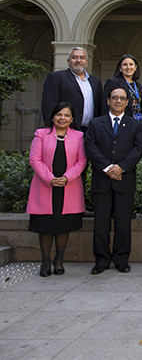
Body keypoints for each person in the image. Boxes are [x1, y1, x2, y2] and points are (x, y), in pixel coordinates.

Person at [84, 88, 142, 274]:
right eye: (115, 98)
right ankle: (101, 260)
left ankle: (121, 259)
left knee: (123, 223)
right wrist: (108, 168)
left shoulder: (135, 125)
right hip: (102, 180)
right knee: (101, 224)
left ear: (127, 102)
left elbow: (138, 149)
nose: (118, 101)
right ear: (108, 101)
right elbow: (90, 147)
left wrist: (121, 167)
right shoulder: (96, 123)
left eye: (122, 98)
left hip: (124, 180)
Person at [27, 102, 87, 277]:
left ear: (72, 119)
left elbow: (81, 161)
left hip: (68, 186)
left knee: (62, 226)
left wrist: (67, 178)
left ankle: (59, 260)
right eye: (59, 114)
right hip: (46, 186)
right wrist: (50, 179)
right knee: (45, 226)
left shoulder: (79, 136)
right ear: (53, 116)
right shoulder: (41, 134)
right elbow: (34, 159)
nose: (63, 118)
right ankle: (45, 261)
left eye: (67, 115)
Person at [41, 46, 102, 131]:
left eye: (82, 58)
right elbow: (48, 106)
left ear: (86, 62)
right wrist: (51, 129)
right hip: (65, 130)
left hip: (90, 132)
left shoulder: (96, 82)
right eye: (74, 57)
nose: (78, 60)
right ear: (68, 61)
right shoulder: (57, 77)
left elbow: (99, 108)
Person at [103, 54, 142, 124]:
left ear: (135, 68)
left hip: (137, 123)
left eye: (131, 64)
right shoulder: (113, 83)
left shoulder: (139, 86)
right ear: (120, 68)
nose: (128, 67)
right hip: (120, 123)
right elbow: (105, 105)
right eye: (125, 65)